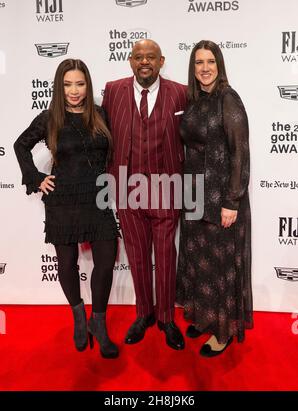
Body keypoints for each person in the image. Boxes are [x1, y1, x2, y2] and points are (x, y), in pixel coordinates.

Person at [14, 59, 119, 359]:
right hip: (62, 201)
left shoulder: (99, 115)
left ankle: (98, 322)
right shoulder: (49, 118)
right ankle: (78, 317)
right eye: (68, 84)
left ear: (88, 84)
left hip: (96, 199)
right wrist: (35, 178)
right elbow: (20, 145)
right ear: (60, 87)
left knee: (106, 259)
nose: (74, 91)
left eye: (80, 84)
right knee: (66, 264)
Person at [102, 39, 186, 350]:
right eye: (139, 57)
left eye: (151, 57)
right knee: (136, 254)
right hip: (127, 188)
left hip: (167, 188)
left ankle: (166, 318)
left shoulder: (180, 92)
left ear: (162, 61)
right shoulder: (112, 90)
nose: (145, 62)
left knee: (165, 255)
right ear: (130, 60)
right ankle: (143, 314)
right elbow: (101, 132)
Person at [176, 40, 253, 357]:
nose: (204, 68)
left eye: (210, 62)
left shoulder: (228, 99)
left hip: (221, 197)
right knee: (199, 264)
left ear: (219, 65)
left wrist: (232, 201)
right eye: (198, 63)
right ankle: (204, 317)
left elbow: (240, 154)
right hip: (194, 195)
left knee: (219, 268)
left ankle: (221, 331)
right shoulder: (194, 100)